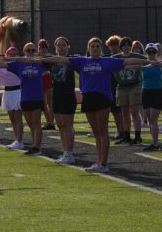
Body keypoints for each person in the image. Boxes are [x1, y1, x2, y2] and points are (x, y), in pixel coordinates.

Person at [33, 38, 149, 173]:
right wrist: (36, 58)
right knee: (96, 132)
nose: (95, 49)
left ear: (101, 49)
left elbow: (128, 61)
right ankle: (98, 161)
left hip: (102, 98)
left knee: (102, 131)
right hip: (88, 98)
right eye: (92, 46)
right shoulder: (82, 61)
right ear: (89, 49)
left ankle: (103, 163)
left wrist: (149, 60)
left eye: (97, 46)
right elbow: (61, 59)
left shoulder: (107, 61)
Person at [0, 42, 48, 155]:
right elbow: (2, 65)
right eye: (28, 50)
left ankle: (37, 147)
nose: (30, 52)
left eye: (32, 50)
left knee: (36, 123)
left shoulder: (40, 63)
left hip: (37, 97)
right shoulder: (18, 64)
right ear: (24, 52)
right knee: (30, 124)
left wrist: (42, 57)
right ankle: (34, 145)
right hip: (25, 97)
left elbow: (53, 59)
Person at [48, 36, 78, 164]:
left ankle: (70, 153)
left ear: (68, 46)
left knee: (67, 125)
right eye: (59, 45)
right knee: (60, 125)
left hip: (68, 96)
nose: (61, 47)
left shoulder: (72, 60)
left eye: (63, 45)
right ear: (55, 48)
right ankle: (65, 152)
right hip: (56, 95)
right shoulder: (51, 61)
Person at [114, 39, 144, 144]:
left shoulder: (137, 56)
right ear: (121, 46)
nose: (126, 47)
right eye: (124, 45)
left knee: (134, 112)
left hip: (134, 86)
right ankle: (126, 136)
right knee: (124, 113)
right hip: (121, 87)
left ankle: (137, 136)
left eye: (128, 45)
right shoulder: (115, 58)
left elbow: (149, 60)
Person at [138, 43, 162, 150]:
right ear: (146, 53)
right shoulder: (143, 65)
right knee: (150, 119)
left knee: (153, 119)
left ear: (157, 52)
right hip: (146, 92)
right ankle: (154, 142)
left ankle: (155, 143)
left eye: (153, 51)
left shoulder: (160, 63)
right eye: (149, 52)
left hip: (157, 92)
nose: (151, 53)